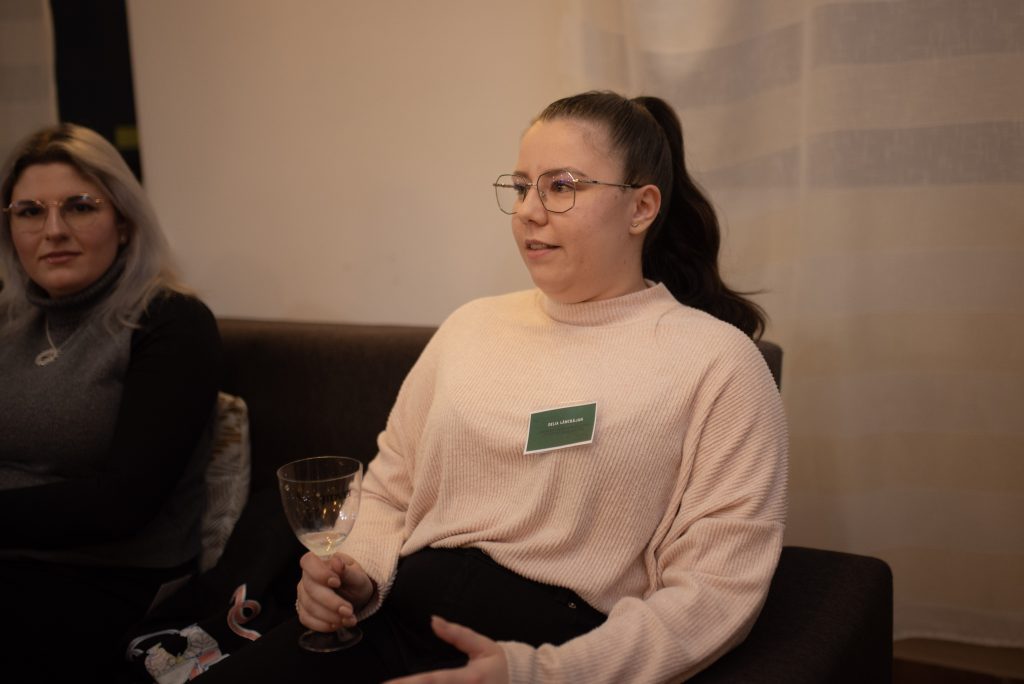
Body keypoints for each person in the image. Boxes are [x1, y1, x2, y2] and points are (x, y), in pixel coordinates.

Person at [198, 90, 788, 684]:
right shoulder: (472, 325)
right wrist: (356, 574)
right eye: (522, 187)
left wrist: (540, 673)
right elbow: (386, 493)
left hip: (557, 653)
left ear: (641, 208)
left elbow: (716, 593)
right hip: (391, 619)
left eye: (561, 187)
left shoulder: (718, 362)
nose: (529, 211)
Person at [0, 123, 222, 681]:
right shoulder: (6, 322)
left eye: (79, 207)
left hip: (111, 583)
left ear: (123, 221)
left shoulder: (169, 320)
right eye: (29, 212)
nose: (53, 230)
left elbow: (124, 504)